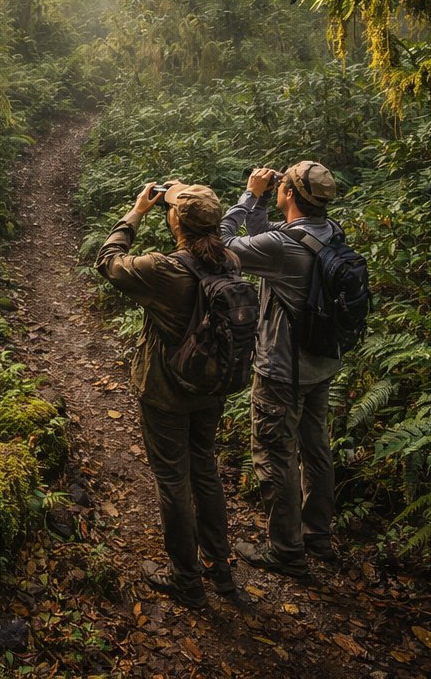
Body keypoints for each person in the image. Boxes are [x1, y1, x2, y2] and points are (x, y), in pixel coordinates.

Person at [96, 181, 238, 608]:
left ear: (175, 220)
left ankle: (187, 579)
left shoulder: (163, 269)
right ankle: (221, 568)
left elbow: (108, 260)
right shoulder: (229, 261)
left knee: (173, 479)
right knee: (205, 471)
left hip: (166, 389)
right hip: (212, 386)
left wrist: (136, 212)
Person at [220, 160, 342, 582]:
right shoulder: (328, 233)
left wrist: (250, 195)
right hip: (321, 363)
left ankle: (287, 551)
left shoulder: (283, 247)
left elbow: (220, 246)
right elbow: (263, 239)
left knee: (275, 456)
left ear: (288, 194)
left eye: (281, 185)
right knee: (315, 449)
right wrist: (264, 206)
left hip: (282, 371)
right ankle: (317, 536)